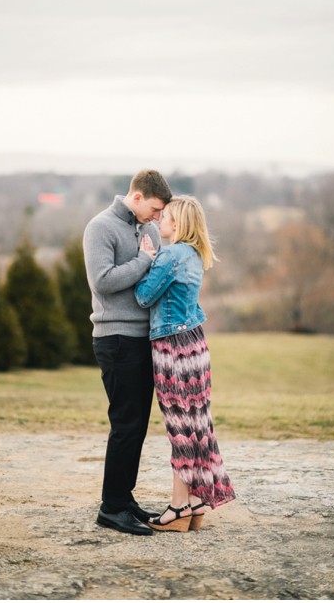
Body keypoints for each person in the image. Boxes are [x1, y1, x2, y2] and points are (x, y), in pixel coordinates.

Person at [134, 195, 235, 532]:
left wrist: (145, 259)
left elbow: (144, 297)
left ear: (176, 223)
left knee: (179, 426)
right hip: (194, 345)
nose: (159, 220)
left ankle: (178, 508)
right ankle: (195, 500)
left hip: (172, 349)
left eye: (165, 217)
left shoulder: (171, 255)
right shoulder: (193, 254)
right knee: (196, 424)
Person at [83, 169, 173, 535]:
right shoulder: (100, 228)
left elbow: (151, 283)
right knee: (125, 423)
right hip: (115, 338)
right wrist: (144, 261)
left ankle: (124, 497)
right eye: (153, 208)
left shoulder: (150, 229)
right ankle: (111, 508)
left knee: (137, 425)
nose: (156, 217)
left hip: (145, 338)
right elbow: (102, 281)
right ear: (136, 197)